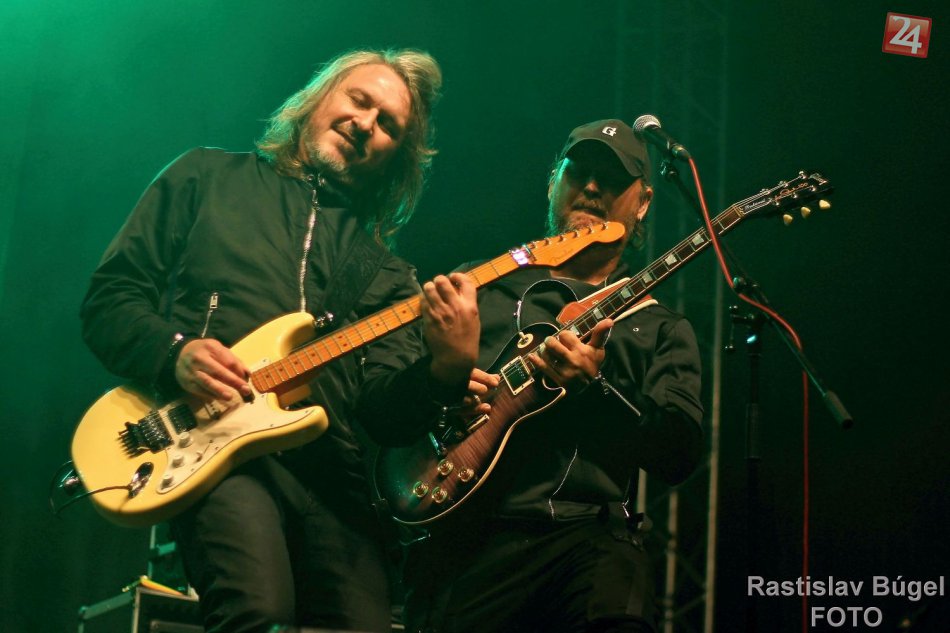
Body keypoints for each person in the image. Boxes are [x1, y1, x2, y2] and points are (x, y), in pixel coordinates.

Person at [80, 48, 481, 633]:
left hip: (334, 482)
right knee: (258, 614)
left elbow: (382, 412)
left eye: (388, 125)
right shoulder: (205, 177)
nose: (365, 123)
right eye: (359, 100)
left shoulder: (390, 276)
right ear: (318, 98)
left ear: (398, 158)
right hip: (216, 452)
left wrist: (444, 371)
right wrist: (174, 352)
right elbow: (109, 300)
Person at [360, 120, 705, 633]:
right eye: (578, 172)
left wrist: (596, 390)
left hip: (588, 542)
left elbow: (679, 454)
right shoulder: (479, 285)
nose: (592, 187)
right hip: (465, 546)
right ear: (551, 183)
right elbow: (377, 411)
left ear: (644, 203)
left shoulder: (658, 326)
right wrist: (439, 380)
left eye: (612, 179)